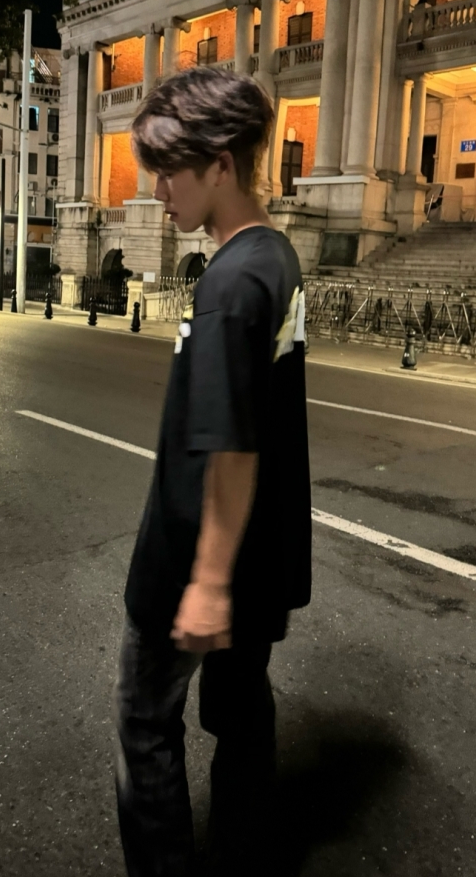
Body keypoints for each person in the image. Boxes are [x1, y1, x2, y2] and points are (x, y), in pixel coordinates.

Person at [114, 67, 312, 877]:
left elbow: (230, 445)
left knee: (145, 722)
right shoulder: (272, 255)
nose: (157, 190)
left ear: (221, 164)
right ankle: (244, 853)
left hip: (197, 556)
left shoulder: (229, 286)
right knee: (239, 712)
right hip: (261, 552)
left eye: (169, 171)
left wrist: (205, 581)